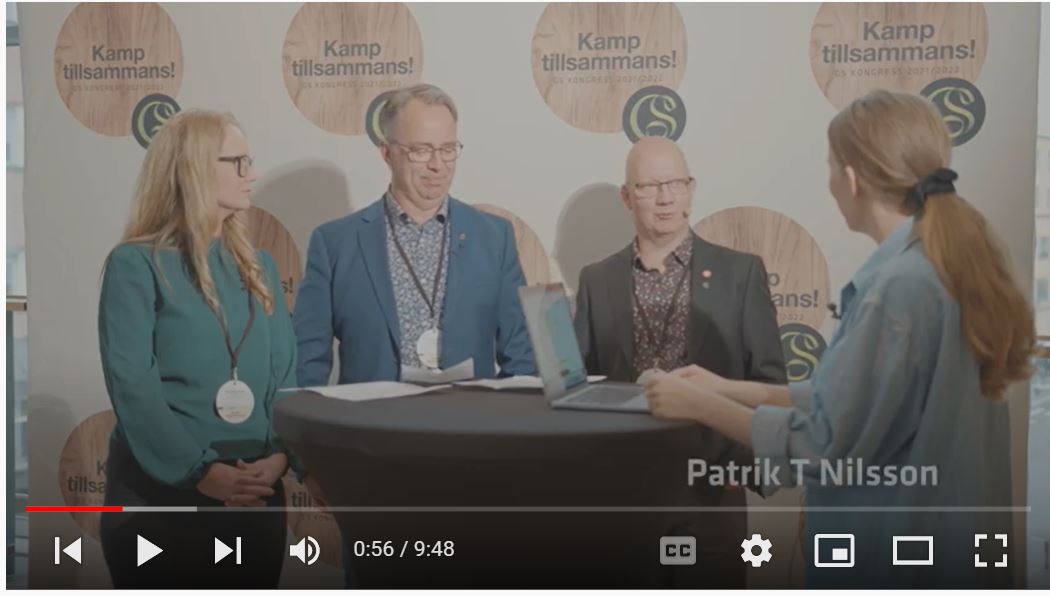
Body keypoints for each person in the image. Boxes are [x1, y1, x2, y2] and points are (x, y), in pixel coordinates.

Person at [644, 90, 1034, 588]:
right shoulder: (939, 268)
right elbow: (861, 402)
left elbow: (824, 446)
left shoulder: (899, 291)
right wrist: (732, 389)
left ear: (851, 179)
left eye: (830, 168)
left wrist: (700, 405)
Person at [97, 110, 300, 588]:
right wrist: (201, 473)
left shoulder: (261, 267)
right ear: (195, 169)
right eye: (238, 162)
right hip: (162, 498)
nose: (252, 174)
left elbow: (285, 378)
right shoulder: (135, 264)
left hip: (256, 492)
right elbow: (133, 387)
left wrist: (278, 458)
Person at [572, 136, 785, 587]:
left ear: (691, 189)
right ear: (627, 197)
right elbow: (579, 389)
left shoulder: (740, 274)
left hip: (711, 493)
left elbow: (770, 381)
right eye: (649, 187)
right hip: (622, 495)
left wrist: (740, 466)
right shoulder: (596, 280)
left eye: (675, 184)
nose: (665, 198)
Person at [294, 83, 535, 387]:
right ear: (387, 153)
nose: (437, 165)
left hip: (469, 415)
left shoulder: (494, 238)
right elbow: (307, 362)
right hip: (371, 416)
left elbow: (521, 357)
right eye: (421, 150)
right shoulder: (335, 244)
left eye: (447, 150)